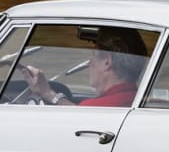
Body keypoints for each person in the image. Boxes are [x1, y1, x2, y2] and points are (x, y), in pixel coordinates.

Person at [20, 27, 148, 107]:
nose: (88, 63)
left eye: (93, 57)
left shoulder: (97, 107)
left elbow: (77, 118)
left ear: (107, 63)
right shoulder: (139, 99)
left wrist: (48, 93)